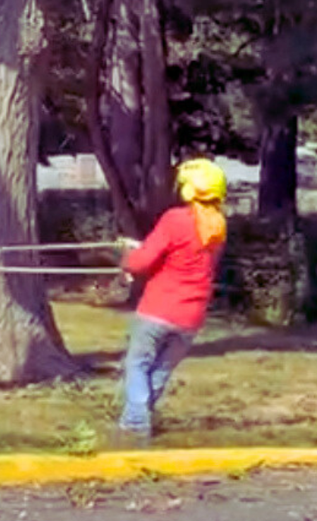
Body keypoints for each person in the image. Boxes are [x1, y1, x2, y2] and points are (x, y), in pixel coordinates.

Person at [116, 157, 227, 439]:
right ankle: (139, 416)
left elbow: (141, 262)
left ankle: (135, 424)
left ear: (188, 189)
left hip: (159, 308)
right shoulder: (218, 226)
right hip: (192, 316)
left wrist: (128, 258)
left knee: (138, 364)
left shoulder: (176, 219)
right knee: (160, 369)